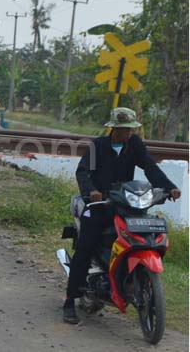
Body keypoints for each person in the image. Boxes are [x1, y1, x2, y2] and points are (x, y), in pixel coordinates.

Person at [63, 107, 181, 324]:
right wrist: (91, 191)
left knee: (142, 234)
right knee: (85, 248)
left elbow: (149, 167)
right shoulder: (97, 146)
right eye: (125, 129)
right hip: (99, 205)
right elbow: (83, 172)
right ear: (114, 129)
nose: (129, 133)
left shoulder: (134, 145)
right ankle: (70, 300)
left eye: (131, 129)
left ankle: (129, 279)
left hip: (126, 204)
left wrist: (169, 187)